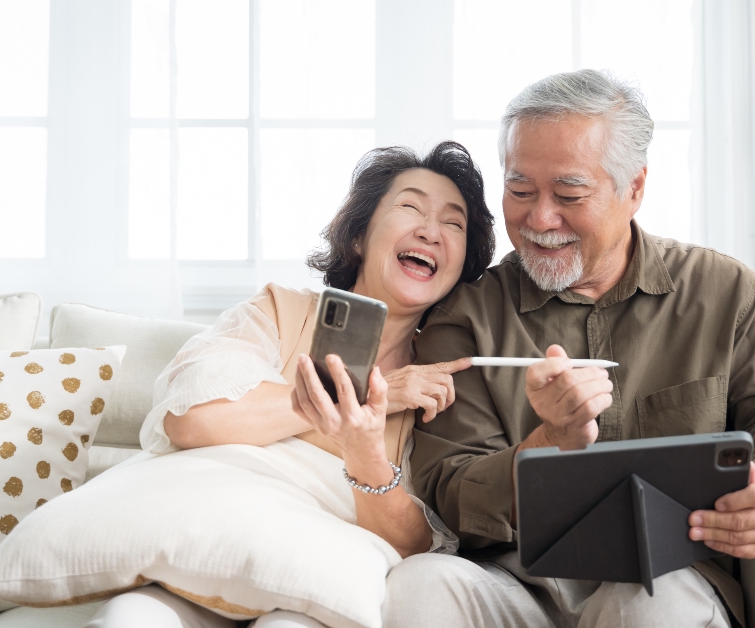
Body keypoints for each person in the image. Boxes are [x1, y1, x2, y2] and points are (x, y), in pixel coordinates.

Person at [387, 70, 755, 628]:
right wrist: (547, 445)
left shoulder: (724, 293)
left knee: (642, 601)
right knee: (420, 584)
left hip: (671, 579)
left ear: (635, 188)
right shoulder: (466, 317)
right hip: (516, 584)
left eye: (569, 194)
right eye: (519, 190)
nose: (539, 219)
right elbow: (449, 489)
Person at [86, 141, 496, 628]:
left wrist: (364, 451)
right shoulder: (279, 312)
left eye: (454, 223)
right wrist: (368, 396)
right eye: (410, 206)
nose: (431, 231)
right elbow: (191, 418)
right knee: (128, 619)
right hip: (198, 554)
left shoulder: (442, 383)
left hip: (312, 588)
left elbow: (414, 546)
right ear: (359, 237)